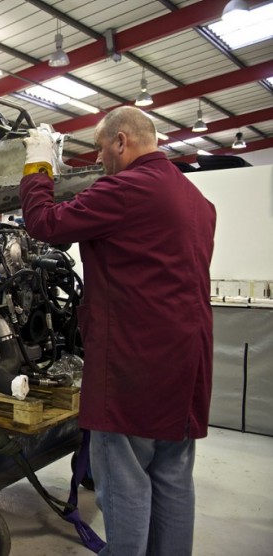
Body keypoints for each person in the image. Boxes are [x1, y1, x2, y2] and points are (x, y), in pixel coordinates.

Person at [18, 107, 216, 555]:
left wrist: (38, 166)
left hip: (134, 366)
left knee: (125, 484)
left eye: (100, 147)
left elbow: (45, 224)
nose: (98, 158)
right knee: (173, 479)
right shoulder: (197, 201)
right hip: (188, 367)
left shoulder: (125, 189)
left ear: (121, 141)